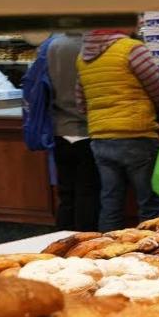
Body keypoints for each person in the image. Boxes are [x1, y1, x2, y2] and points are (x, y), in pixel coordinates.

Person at [76, 28, 159, 231]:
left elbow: (81, 102)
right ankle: (149, 251)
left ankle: (107, 253)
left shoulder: (83, 56)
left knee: (110, 203)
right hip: (136, 134)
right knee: (149, 203)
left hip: (101, 136)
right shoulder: (132, 49)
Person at [42, 32, 100, 231]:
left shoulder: (53, 45)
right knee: (88, 192)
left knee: (66, 194)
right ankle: (83, 241)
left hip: (60, 128)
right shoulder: (92, 46)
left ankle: (61, 238)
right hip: (87, 128)